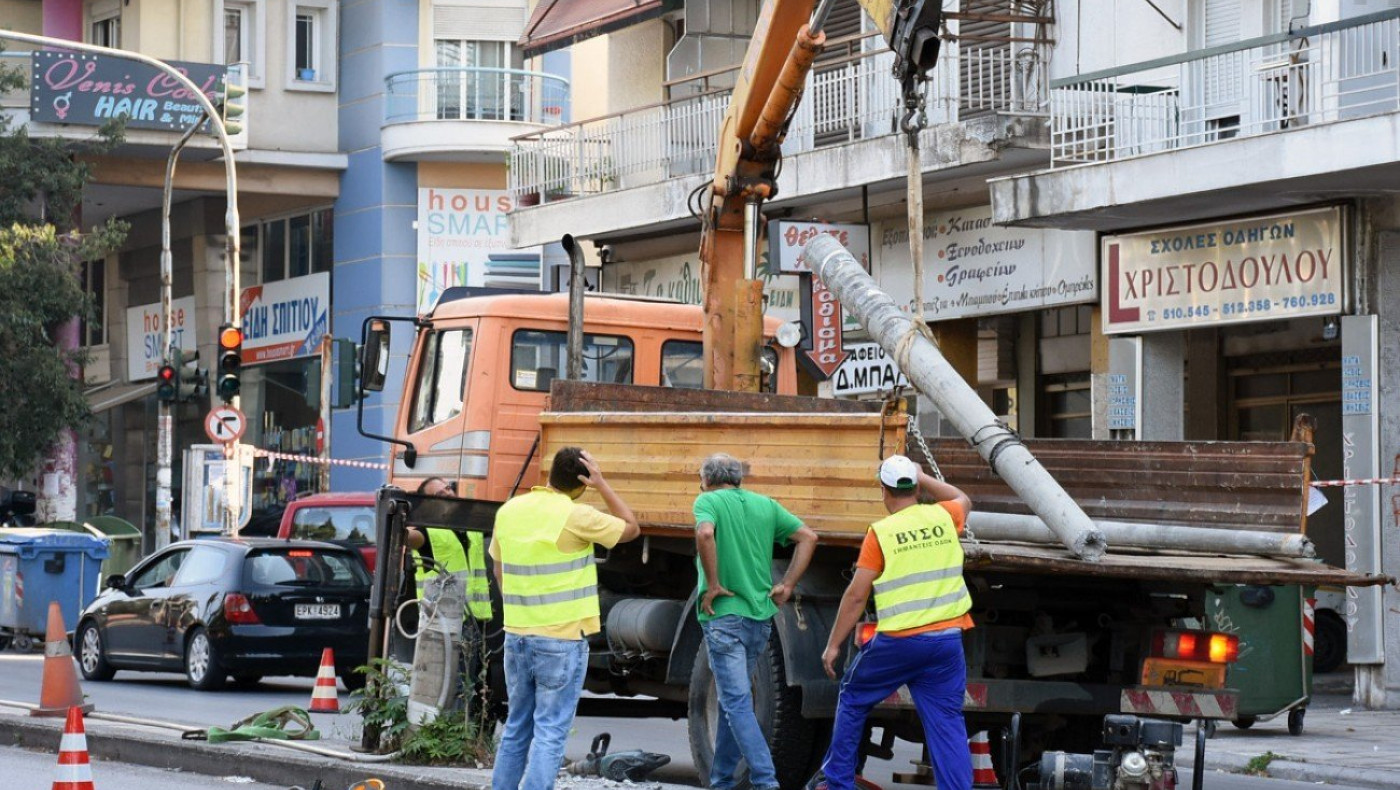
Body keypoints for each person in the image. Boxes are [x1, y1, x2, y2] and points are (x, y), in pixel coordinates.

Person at [808, 454, 974, 790]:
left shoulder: (882, 533)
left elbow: (856, 596)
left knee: (853, 697)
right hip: (946, 642)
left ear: (884, 491)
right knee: (947, 724)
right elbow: (964, 499)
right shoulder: (943, 516)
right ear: (914, 486)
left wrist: (833, 645)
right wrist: (924, 477)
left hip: (900, 643)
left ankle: (838, 783)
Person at [489, 447, 640, 790]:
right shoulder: (575, 515)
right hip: (561, 640)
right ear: (581, 483)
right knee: (550, 731)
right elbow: (631, 528)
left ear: (549, 474)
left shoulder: (510, 510)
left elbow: (499, 569)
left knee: (517, 727)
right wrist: (602, 484)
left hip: (517, 635)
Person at [694, 453, 819, 790]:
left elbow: (705, 534)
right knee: (731, 702)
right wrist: (788, 584)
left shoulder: (707, 501)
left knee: (735, 703)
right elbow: (809, 537)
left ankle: (766, 782)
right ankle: (721, 782)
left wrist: (714, 582)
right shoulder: (766, 504)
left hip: (725, 619)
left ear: (706, 479)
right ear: (738, 479)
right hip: (758, 620)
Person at [406, 477, 492, 620]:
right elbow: (407, 537)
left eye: (448, 488)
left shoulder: (471, 528)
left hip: (475, 620)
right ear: (428, 504)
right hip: (440, 623)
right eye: (440, 494)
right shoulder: (427, 531)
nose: (448, 494)